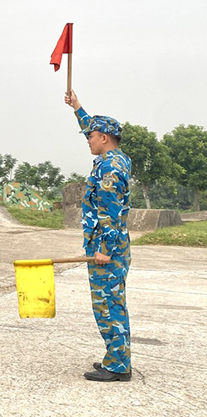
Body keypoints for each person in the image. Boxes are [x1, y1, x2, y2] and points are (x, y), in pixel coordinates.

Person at [65, 90, 133, 382]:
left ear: (104, 138)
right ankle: (115, 357)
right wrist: (77, 107)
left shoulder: (109, 168)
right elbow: (90, 129)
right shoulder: (117, 158)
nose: (88, 139)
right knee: (111, 303)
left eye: (92, 136)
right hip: (112, 247)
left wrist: (104, 249)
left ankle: (118, 366)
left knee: (108, 306)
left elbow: (111, 213)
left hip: (108, 250)